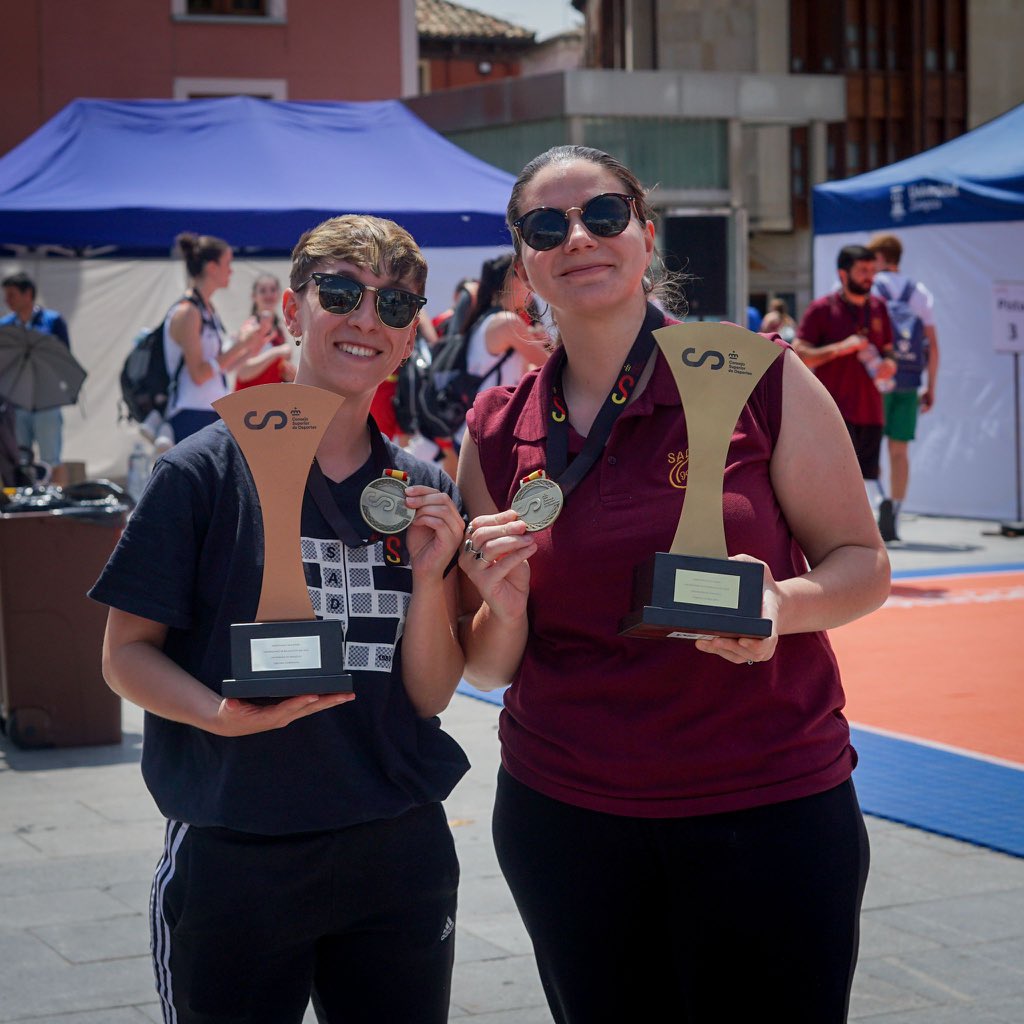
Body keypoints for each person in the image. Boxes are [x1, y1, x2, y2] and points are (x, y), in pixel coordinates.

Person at [456, 145, 891, 1023]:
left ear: (646, 237)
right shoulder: (496, 427)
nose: (579, 237)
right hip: (567, 817)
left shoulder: (764, 375)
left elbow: (862, 562)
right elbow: (491, 666)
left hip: (766, 807)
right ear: (526, 261)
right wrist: (497, 608)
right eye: (547, 226)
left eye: (604, 215)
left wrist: (780, 604)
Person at [90, 215, 470, 1024]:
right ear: (292, 311)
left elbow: (432, 696)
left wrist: (436, 578)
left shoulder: (421, 484)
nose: (367, 319)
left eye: (395, 307)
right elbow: (125, 653)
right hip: (240, 845)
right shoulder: (198, 472)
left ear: (411, 339)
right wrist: (216, 719)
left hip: (396, 845)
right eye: (341, 292)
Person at [793, 244, 897, 490]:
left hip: (872, 412)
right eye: (862, 270)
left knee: (867, 483)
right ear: (843, 274)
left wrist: (890, 364)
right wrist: (841, 348)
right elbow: (799, 353)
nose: (869, 277)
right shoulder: (822, 309)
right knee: (835, 484)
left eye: (872, 270)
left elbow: (889, 350)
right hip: (834, 413)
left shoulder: (879, 307)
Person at [162, 232, 269, 442]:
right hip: (190, 413)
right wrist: (240, 346)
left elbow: (220, 368)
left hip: (210, 410)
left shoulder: (207, 309)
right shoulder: (188, 312)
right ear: (212, 267)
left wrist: (249, 349)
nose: (231, 271)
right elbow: (199, 375)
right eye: (227, 263)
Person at [868, 232, 940, 542]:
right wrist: (931, 386)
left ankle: (878, 502)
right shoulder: (919, 291)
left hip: (877, 380)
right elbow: (933, 345)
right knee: (900, 451)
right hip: (910, 381)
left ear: (881, 258)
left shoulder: (871, 288)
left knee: (869, 448)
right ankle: (895, 511)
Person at [1, 271, 72, 485]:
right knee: (18, 458)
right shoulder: (5, 326)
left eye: (12, 295)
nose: (7, 300)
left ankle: (58, 506)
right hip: (16, 401)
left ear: (28, 294)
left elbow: (64, 358)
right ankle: (22, 506)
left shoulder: (52, 321)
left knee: (51, 458)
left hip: (46, 400)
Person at [233, 273, 296, 390]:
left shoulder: (279, 329)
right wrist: (276, 352)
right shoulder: (249, 328)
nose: (268, 295)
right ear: (254, 296)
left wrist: (289, 373)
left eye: (272, 290)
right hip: (247, 400)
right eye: (263, 291)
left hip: (268, 400)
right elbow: (242, 372)